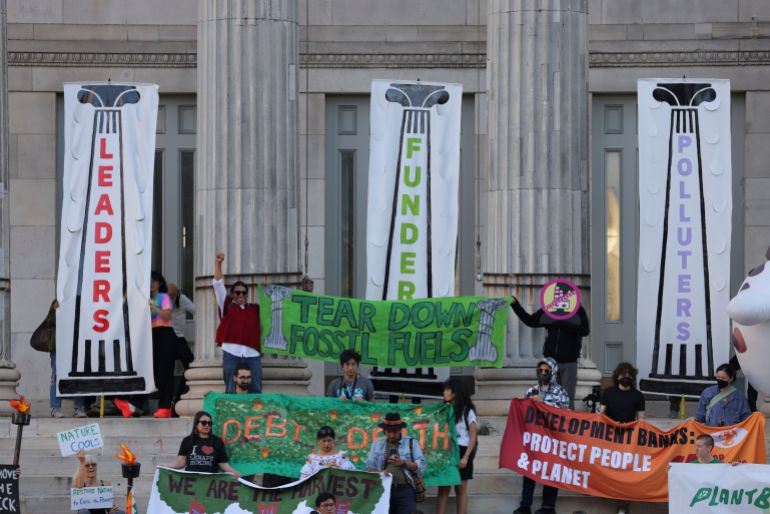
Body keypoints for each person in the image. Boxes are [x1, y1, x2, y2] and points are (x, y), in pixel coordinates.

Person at [114, 271, 176, 418]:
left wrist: (152, 307)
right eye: (149, 281)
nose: (151, 283)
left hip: (164, 334)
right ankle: (134, 405)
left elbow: (167, 315)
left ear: (159, 283)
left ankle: (165, 406)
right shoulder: (144, 298)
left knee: (164, 372)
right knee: (146, 370)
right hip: (149, 335)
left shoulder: (163, 297)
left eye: (154, 281)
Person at [511, 294, 590, 409]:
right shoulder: (550, 309)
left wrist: (562, 323)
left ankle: (566, 425)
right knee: (548, 397)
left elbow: (585, 330)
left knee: (567, 398)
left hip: (569, 362)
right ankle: (550, 425)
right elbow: (531, 321)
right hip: (550, 363)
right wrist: (515, 304)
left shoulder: (577, 309)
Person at [514, 358, 569, 514]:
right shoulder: (531, 391)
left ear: (552, 372)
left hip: (553, 438)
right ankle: (525, 505)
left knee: (552, 469)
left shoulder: (560, 391)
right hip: (535, 438)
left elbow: (564, 413)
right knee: (529, 468)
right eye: (540, 370)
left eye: (546, 370)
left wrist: (543, 403)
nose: (543, 373)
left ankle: (548, 506)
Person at [213, 253, 262, 393]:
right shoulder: (226, 304)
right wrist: (218, 264)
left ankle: (256, 414)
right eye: (237, 292)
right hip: (231, 351)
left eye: (243, 293)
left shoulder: (255, 309)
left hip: (252, 353)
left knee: (256, 387)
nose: (240, 295)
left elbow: (275, 310)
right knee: (230, 387)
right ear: (232, 294)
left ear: (247, 294)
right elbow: (217, 284)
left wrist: (267, 290)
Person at [367, 412, 426, 514]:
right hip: (383, 489)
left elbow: (421, 465)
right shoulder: (377, 445)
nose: (391, 435)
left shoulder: (412, 443)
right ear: (384, 431)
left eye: (394, 431)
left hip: (405, 489)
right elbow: (369, 468)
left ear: (400, 430)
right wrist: (380, 472)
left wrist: (404, 463)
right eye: (388, 431)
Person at [437, 378, 477, 514]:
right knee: (443, 487)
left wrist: (466, 457)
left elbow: (473, 436)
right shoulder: (443, 410)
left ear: (455, 392)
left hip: (462, 450)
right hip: (446, 450)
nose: (444, 392)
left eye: (447, 390)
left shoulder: (468, 411)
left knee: (460, 489)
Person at [45, 299, 87, 418]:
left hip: (75, 345)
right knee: (57, 376)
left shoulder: (80, 300)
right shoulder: (59, 300)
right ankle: (55, 407)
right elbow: (49, 322)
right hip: (59, 346)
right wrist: (54, 311)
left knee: (78, 375)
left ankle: (79, 407)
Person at [167, 411, 241, 477]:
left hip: (211, 482)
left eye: (209, 423)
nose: (207, 425)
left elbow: (223, 463)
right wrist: (165, 466)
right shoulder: (187, 440)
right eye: (203, 423)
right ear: (196, 424)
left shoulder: (217, 441)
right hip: (191, 480)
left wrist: (233, 472)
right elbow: (181, 462)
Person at [695, 362, 751, 427]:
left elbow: (746, 417)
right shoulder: (707, 393)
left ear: (731, 378)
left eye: (723, 378)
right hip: (712, 433)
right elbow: (700, 415)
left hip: (732, 434)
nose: (720, 380)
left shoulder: (739, 396)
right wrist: (694, 420)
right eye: (718, 377)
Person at [72, 449, 126, 514]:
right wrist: (82, 462)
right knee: (83, 511)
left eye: (93, 465)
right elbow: (78, 487)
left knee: (120, 513)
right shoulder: (79, 484)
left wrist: (112, 510)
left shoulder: (105, 484)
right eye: (87, 465)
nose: (91, 467)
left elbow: (110, 507)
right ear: (82, 467)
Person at [167, 283, 195, 403]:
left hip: (178, 338)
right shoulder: (160, 299)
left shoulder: (182, 299)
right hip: (165, 338)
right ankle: (168, 401)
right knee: (166, 370)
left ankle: (178, 396)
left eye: (173, 296)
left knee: (190, 364)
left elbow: (196, 310)